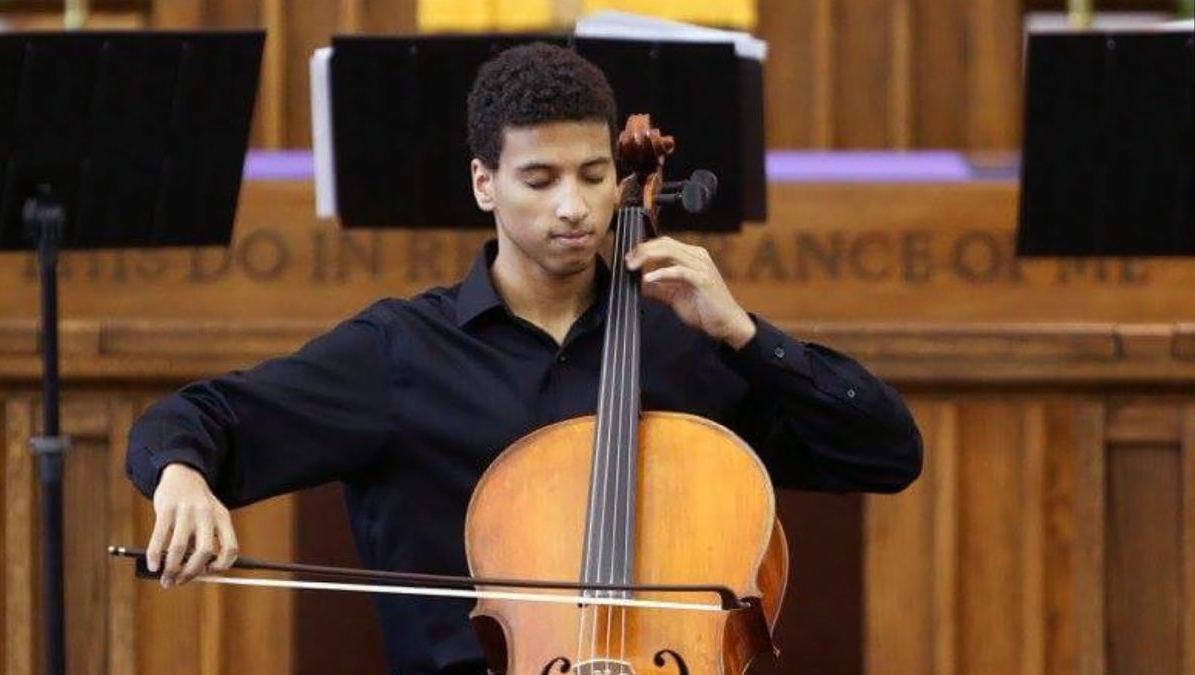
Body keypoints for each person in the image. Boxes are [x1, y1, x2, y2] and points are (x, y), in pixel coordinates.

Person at [125, 41, 923, 675]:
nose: (574, 207)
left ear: (622, 177)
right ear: (485, 183)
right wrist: (183, 476)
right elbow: (196, 418)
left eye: (593, 174)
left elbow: (887, 451)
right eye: (539, 179)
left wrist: (744, 334)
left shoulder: (683, 349)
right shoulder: (400, 353)